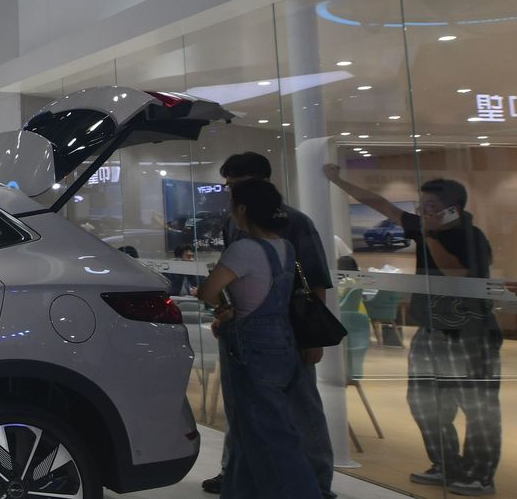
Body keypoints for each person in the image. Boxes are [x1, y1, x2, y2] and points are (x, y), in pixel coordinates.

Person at [325, 164, 500, 494]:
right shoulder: (423, 227)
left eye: (431, 206)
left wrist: (430, 235)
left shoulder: (470, 236)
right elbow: (382, 205)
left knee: (476, 405)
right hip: (431, 328)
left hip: (469, 332)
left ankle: (479, 474)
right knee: (422, 400)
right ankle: (446, 464)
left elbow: (456, 274)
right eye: (422, 205)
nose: (423, 211)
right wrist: (338, 180)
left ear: (453, 209)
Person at [202, 152, 336, 498]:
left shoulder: (296, 223)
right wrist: (225, 312)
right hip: (248, 332)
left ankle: (316, 482)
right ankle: (237, 477)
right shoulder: (235, 224)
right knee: (245, 413)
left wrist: (311, 337)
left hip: (286, 331)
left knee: (297, 411)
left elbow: (315, 282)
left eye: (236, 185)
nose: (231, 193)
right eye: (228, 186)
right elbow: (237, 280)